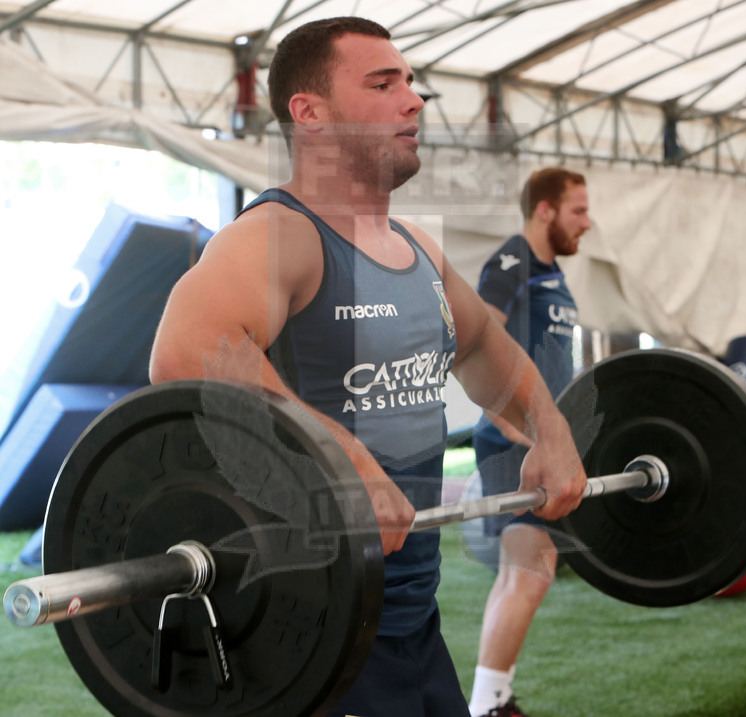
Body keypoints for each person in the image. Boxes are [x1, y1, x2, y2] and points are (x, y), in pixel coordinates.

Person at [149, 17, 587, 717]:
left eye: (411, 84)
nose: (413, 100)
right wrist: (344, 456)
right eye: (383, 84)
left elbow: (482, 348)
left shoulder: (414, 248)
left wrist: (551, 430)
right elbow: (185, 353)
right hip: (309, 632)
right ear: (310, 113)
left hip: (413, 619)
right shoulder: (278, 235)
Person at [468, 167, 591, 717]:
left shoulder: (551, 275)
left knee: (525, 574)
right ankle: (489, 704)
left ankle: (491, 698)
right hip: (515, 442)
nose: (587, 223)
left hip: (540, 442)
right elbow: (474, 340)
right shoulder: (513, 259)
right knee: (531, 570)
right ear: (546, 209)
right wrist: (518, 429)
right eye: (578, 210)